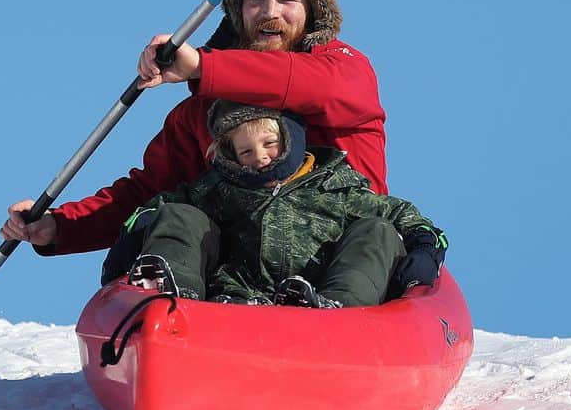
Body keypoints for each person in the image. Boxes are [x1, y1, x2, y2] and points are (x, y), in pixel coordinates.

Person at [1, 0, 387, 260]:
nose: (270, 13)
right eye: (255, 0)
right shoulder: (199, 114)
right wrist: (60, 226)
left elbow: (308, 84)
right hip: (242, 276)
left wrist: (203, 67)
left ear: (312, 10)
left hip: (339, 257)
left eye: (287, 0)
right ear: (237, 11)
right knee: (175, 216)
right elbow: (148, 194)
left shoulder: (344, 69)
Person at [119, 98, 445, 309]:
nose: (259, 157)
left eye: (270, 144)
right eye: (245, 152)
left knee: (378, 230)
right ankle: (172, 294)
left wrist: (425, 247)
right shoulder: (220, 189)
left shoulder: (335, 187)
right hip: (238, 297)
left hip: (316, 293)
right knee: (181, 214)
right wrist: (134, 234)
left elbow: (403, 215)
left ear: (289, 139)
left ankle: (340, 310)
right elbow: (163, 206)